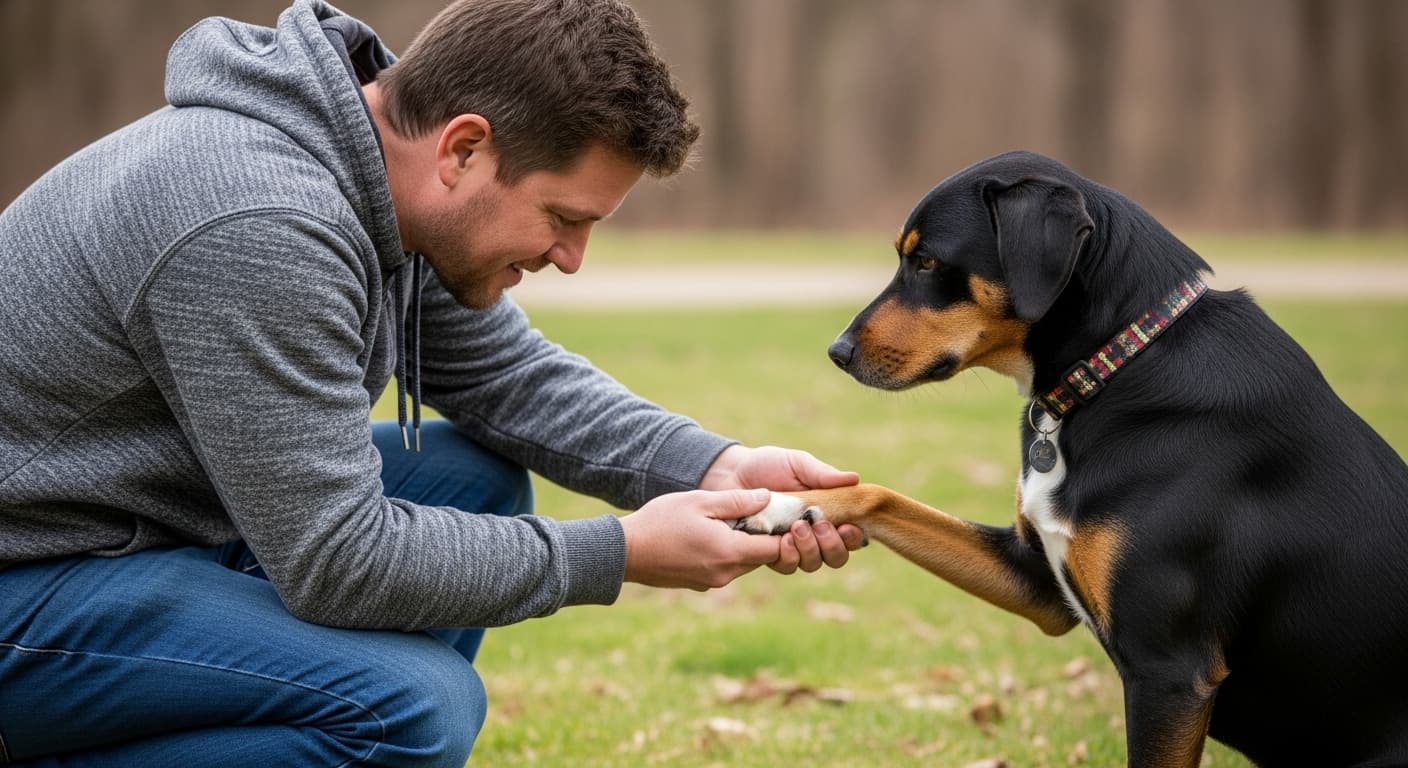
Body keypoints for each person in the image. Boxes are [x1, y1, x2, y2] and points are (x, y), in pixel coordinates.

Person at [0, 0, 866, 765]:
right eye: (563, 218)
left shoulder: (375, 180)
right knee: (410, 707)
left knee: (469, 479)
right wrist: (623, 552)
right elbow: (337, 560)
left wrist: (712, 466)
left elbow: (508, 377)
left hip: (121, 536)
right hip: (30, 577)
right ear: (463, 148)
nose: (570, 259)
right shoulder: (261, 220)